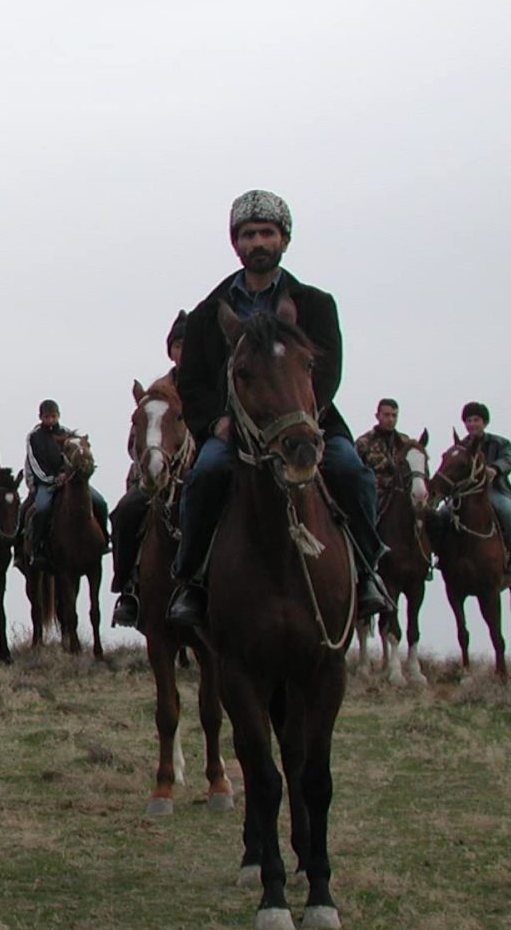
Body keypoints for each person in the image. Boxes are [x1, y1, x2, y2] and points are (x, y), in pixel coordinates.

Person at [166, 190, 390, 628]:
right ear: (236, 244)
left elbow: (327, 371)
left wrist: (302, 417)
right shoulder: (208, 312)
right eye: (248, 235)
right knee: (206, 475)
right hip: (235, 431)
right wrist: (217, 422)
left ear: (284, 240)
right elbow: (192, 383)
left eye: (266, 233)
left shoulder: (316, 304)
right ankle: (190, 580)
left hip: (306, 423)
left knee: (350, 470)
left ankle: (367, 571)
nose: (257, 243)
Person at [108, 312, 185, 627]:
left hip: (195, 471)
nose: (183, 351)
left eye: (188, 345)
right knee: (123, 513)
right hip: (158, 475)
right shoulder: (158, 391)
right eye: (178, 345)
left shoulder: (208, 385)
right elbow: (136, 440)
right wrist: (147, 460)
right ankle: (127, 589)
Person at [23, 400, 109, 569]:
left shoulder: (69, 435)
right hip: (45, 483)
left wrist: (69, 475)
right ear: (40, 417)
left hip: (70, 481)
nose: (50, 420)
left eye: (53, 416)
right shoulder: (34, 437)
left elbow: (76, 459)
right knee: (42, 508)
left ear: (59, 416)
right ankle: (37, 548)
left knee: (100, 502)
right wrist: (52, 479)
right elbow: (34, 463)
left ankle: (104, 539)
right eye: (47, 417)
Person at [451, 401, 511, 582]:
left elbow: (508, 460)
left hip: (494, 492)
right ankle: (442, 556)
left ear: (484, 422)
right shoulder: (460, 447)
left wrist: (495, 469)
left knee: (509, 513)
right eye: (468, 420)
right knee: (444, 515)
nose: (472, 424)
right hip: (466, 495)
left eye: (476, 420)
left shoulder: (500, 443)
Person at [354, 398, 416, 496]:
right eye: (386, 415)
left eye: (394, 415)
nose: (391, 419)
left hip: (402, 496)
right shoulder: (364, 443)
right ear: (377, 416)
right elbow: (355, 473)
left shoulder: (405, 443)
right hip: (373, 496)